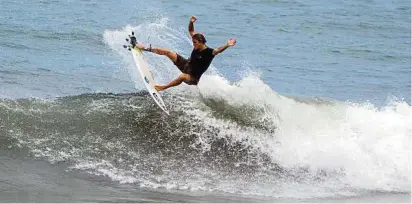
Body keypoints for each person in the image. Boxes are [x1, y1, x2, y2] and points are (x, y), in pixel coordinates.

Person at [136, 16, 236, 92]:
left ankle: (163, 88)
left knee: (183, 76)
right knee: (168, 52)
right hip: (186, 65)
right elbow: (191, 30)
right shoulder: (196, 41)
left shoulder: (209, 52)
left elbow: (218, 50)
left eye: (195, 42)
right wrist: (191, 22)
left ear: (201, 42)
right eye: (193, 42)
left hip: (193, 78)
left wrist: (227, 45)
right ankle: (144, 48)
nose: (193, 44)